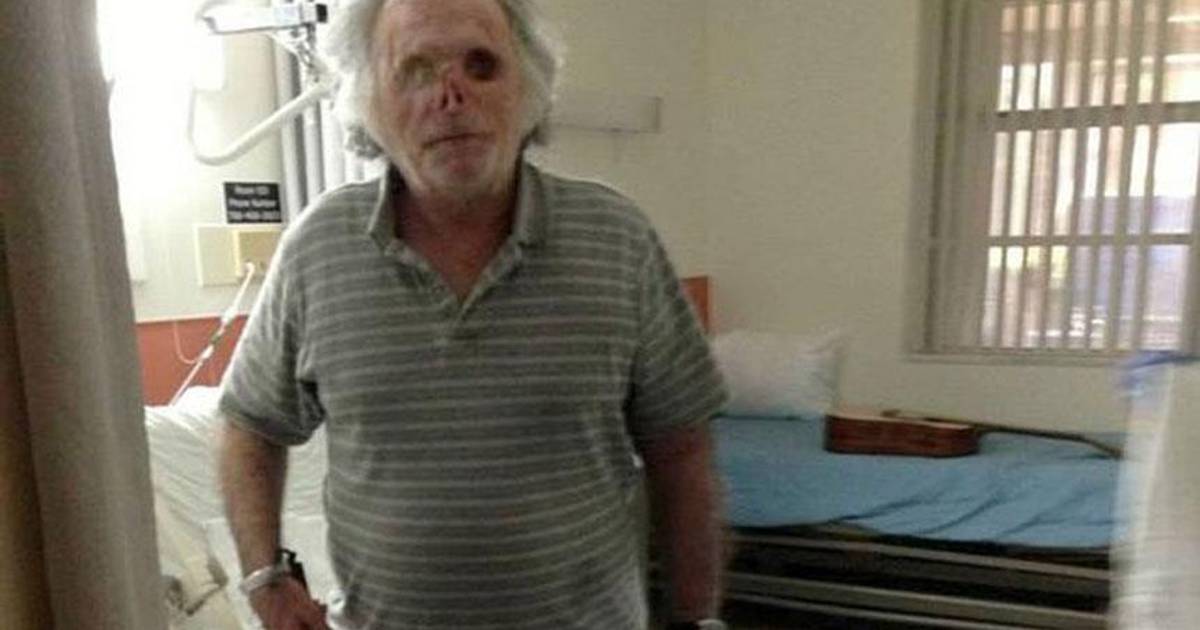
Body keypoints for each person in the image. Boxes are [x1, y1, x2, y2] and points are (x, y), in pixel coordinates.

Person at [216, 0, 729, 628]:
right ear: (369, 102)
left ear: (528, 90)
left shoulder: (618, 240)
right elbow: (248, 425)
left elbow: (682, 448)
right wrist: (264, 577)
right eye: (415, 70)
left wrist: (696, 619)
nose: (451, 94)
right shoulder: (318, 249)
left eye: (481, 65)